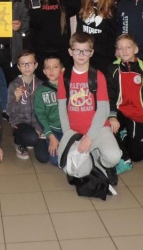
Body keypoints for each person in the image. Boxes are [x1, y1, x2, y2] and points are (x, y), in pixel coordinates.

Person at [57, 33, 121, 186]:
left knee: (114, 157)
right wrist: (68, 135)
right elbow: (62, 108)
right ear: (70, 51)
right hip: (75, 132)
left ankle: (104, 164)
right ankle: (92, 157)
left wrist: (89, 137)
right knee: (79, 172)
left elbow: (103, 109)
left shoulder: (98, 76)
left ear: (91, 53)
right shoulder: (64, 77)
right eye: (77, 50)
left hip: (98, 129)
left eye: (85, 51)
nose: (81, 54)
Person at [106, 34, 143, 174]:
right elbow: (110, 94)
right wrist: (112, 115)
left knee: (137, 157)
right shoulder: (113, 69)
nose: (124, 51)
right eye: (120, 48)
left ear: (136, 49)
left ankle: (126, 136)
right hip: (121, 112)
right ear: (117, 51)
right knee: (107, 127)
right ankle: (124, 157)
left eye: (128, 47)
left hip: (138, 115)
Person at [28, 0, 69, 80]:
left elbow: (75, 5)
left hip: (61, 53)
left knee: (62, 86)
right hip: (41, 53)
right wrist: (33, 5)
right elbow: (35, 24)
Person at [7, 51, 49, 162]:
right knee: (32, 138)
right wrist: (16, 99)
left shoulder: (41, 85)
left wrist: (39, 129)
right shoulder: (13, 85)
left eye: (30, 63)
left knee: (44, 158)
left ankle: (32, 137)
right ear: (18, 67)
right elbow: (9, 112)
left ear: (36, 65)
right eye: (23, 64)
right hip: (20, 123)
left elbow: (45, 111)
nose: (26, 67)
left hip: (37, 124)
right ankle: (18, 141)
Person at [77, 0, 118, 75]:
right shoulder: (82, 6)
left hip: (104, 57)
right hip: (85, 55)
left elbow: (114, 35)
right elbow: (79, 31)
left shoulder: (111, 9)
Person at [34, 55, 64, 166]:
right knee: (55, 161)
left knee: (68, 156)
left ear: (62, 70)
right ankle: (43, 140)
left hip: (67, 130)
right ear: (44, 71)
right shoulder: (41, 91)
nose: (51, 70)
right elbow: (40, 115)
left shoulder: (70, 86)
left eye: (55, 67)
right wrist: (51, 136)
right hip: (52, 130)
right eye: (48, 67)